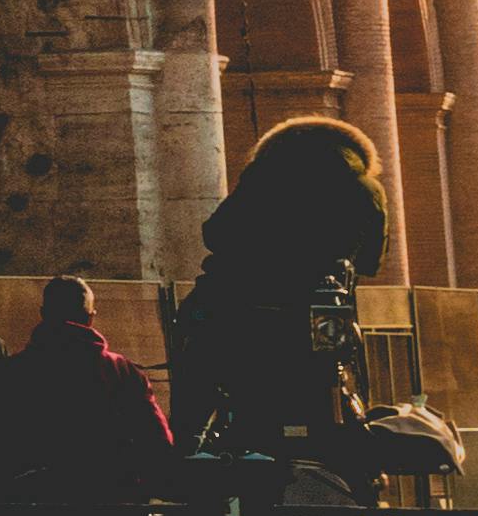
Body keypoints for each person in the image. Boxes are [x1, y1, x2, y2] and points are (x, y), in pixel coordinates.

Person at [164, 116, 394, 464]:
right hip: (313, 319)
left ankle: (189, 452)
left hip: (232, 307)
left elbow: (217, 233)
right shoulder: (366, 188)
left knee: (198, 378)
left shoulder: (263, 175)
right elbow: (370, 263)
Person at [0, 273, 175, 509]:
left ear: (43, 314)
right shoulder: (123, 372)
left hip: (33, 509)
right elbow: (157, 444)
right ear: (90, 318)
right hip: (113, 506)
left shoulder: (10, 372)